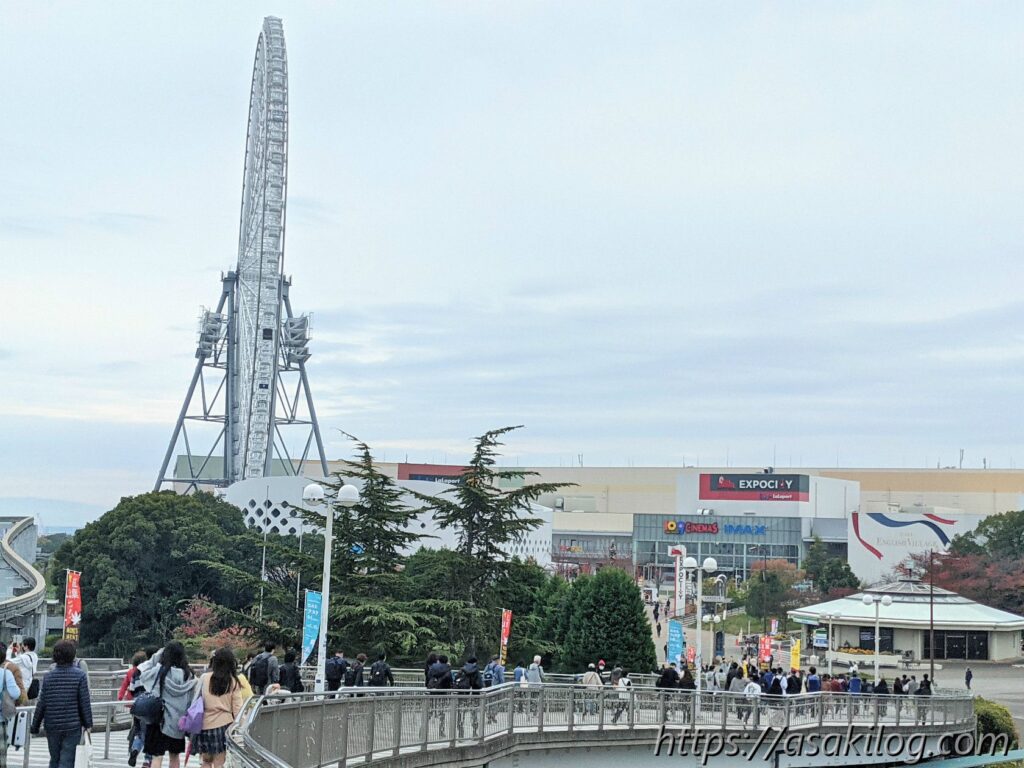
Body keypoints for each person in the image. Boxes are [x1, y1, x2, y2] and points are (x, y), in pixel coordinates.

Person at [31, 640, 92, 768]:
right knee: (67, 760)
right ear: (73, 655)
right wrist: (88, 724)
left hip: (52, 725)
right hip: (72, 725)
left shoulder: (48, 677)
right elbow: (84, 702)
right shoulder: (80, 676)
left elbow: (42, 702)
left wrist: (35, 725)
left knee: (54, 759)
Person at [140, 642, 197, 768]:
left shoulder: (160, 671)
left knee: (157, 756)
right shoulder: (190, 675)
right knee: (175, 756)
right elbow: (191, 701)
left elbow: (143, 672)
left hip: (159, 720)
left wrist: (158, 654)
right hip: (178, 723)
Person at [194, 648, 243, 768]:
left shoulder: (204, 678)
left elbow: (196, 699)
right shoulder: (233, 682)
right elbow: (238, 709)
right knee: (219, 762)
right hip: (224, 725)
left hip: (204, 725)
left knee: (206, 761)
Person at [454, 657, 483, 737]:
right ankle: (474, 732)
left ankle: (460, 733)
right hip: (474, 695)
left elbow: (455, 681)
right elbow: (479, 684)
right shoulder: (476, 671)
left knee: (461, 713)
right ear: (475, 663)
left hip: (462, 695)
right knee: (474, 713)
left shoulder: (461, 670)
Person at [427, 654, 452, 736]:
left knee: (429, 710)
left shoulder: (433, 667)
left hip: (432, 691)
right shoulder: (448, 668)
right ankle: (441, 731)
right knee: (442, 711)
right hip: (443, 692)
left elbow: (428, 676)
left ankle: (423, 730)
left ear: (439, 660)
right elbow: (450, 679)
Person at [16, 637, 39, 702]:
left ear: (26, 647)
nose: (22, 646)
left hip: (23, 684)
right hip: (31, 682)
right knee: (26, 702)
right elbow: (23, 662)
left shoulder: (23, 657)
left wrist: (9, 650)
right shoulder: (35, 656)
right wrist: (19, 653)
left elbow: (9, 661)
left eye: (23, 645)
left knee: (20, 703)